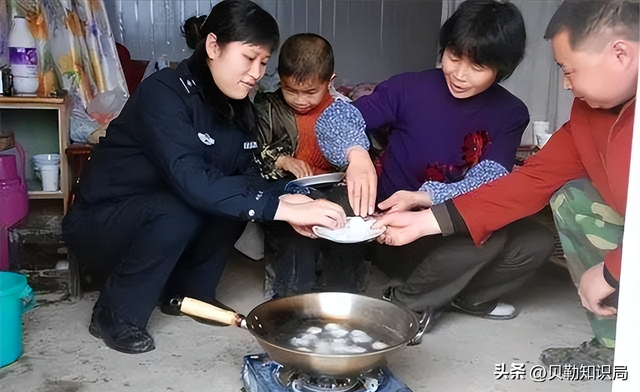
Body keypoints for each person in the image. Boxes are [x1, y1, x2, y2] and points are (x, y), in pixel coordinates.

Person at [62, 0, 347, 355]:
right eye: (248, 58)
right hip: (100, 224)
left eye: (263, 62)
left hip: (162, 216)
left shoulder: (239, 105)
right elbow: (192, 180)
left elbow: (244, 178)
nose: (257, 72)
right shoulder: (163, 94)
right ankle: (114, 314)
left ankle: (189, 293)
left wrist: (290, 198)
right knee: (184, 206)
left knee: (233, 201)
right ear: (213, 46)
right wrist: (276, 207)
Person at [374, 0, 637, 365]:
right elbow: (529, 181)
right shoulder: (588, 114)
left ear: (620, 54)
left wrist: (613, 270)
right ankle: (614, 346)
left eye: (568, 69)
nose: (564, 84)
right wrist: (423, 221)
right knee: (569, 198)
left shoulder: (509, 112)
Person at [313, 0, 555, 343]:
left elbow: (489, 181)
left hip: (445, 222)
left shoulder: (510, 113)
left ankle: (466, 298)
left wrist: (425, 196)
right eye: (454, 56)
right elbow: (338, 117)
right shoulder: (410, 88)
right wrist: (357, 154)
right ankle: (404, 305)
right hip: (393, 226)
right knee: (487, 239)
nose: (459, 73)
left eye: (478, 65)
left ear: (502, 68)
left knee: (537, 239)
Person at [253, 33, 372, 297]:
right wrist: (281, 159)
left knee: (351, 213)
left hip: (332, 186)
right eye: (290, 90)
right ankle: (292, 294)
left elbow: (357, 150)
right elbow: (250, 151)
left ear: (329, 82)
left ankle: (341, 291)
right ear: (279, 79)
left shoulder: (342, 109)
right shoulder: (267, 107)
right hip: (289, 190)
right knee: (297, 224)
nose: (300, 99)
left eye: (310, 92)